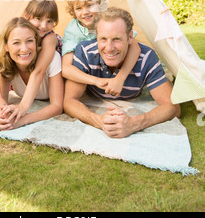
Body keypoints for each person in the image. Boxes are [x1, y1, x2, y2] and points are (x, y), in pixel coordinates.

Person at [63, 7, 181, 138]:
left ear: (130, 37)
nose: (109, 48)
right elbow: (69, 101)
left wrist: (134, 123)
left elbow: (173, 107)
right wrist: (98, 121)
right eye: (103, 39)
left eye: (117, 39)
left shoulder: (147, 57)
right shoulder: (85, 52)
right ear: (96, 37)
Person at [0, 0, 61, 127]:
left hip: (51, 74)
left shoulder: (49, 40)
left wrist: (22, 110)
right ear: (26, 15)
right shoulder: (18, 32)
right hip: (30, 69)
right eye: (38, 19)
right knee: (4, 61)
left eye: (49, 21)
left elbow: (38, 71)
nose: (44, 26)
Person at [62, 0, 141, 97]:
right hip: (90, 76)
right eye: (78, 8)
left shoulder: (109, 21)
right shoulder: (73, 31)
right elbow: (66, 69)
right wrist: (96, 81)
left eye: (89, 5)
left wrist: (120, 78)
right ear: (73, 11)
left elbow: (135, 46)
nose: (85, 12)